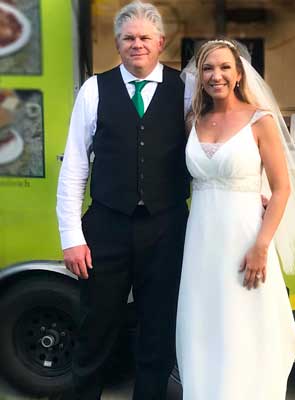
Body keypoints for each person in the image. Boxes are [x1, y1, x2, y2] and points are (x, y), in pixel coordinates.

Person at [55, 1, 190, 399]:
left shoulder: (187, 89)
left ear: (161, 42)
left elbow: (215, 146)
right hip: (107, 227)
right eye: (129, 38)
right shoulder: (95, 89)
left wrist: (262, 189)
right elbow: (76, 165)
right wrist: (71, 235)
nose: (137, 45)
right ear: (117, 43)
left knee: (158, 329)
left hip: (166, 228)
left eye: (145, 38)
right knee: (96, 327)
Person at [176, 39, 295, 400]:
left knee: (244, 328)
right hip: (201, 240)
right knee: (203, 327)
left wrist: (261, 246)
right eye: (208, 68)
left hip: (245, 239)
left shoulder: (260, 120)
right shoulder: (194, 120)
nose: (215, 75)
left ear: (239, 74)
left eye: (224, 67)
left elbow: (282, 188)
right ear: (199, 75)